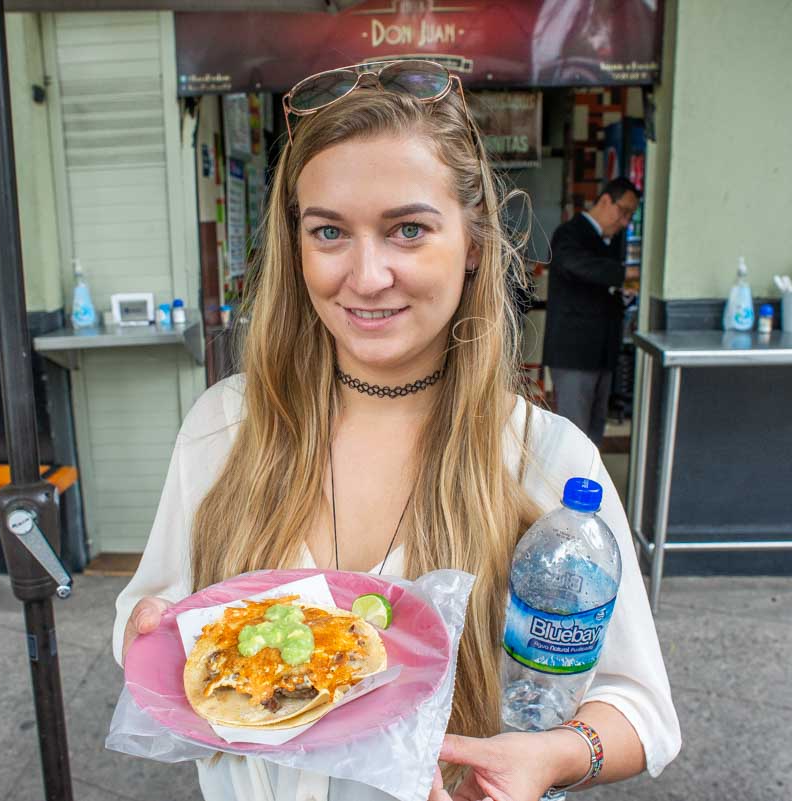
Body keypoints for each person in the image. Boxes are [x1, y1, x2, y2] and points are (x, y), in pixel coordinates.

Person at [114, 60, 679, 801]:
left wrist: (556, 754)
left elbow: (641, 708)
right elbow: (148, 612)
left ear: (473, 242)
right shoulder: (226, 425)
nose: (368, 274)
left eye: (408, 229)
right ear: (298, 245)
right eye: (330, 232)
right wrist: (144, 634)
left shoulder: (542, 458)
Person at [541, 178, 639, 446]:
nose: (625, 222)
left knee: (594, 433)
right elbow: (577, 265)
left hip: (603, 352)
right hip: (574, 353)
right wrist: (624, 275)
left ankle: (587, 484)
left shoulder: (612, 241)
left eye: (631, 215)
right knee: (573, 437)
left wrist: (627, 287)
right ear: (606, 200)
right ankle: (565, 487)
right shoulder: (570, 233)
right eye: (624, 211)